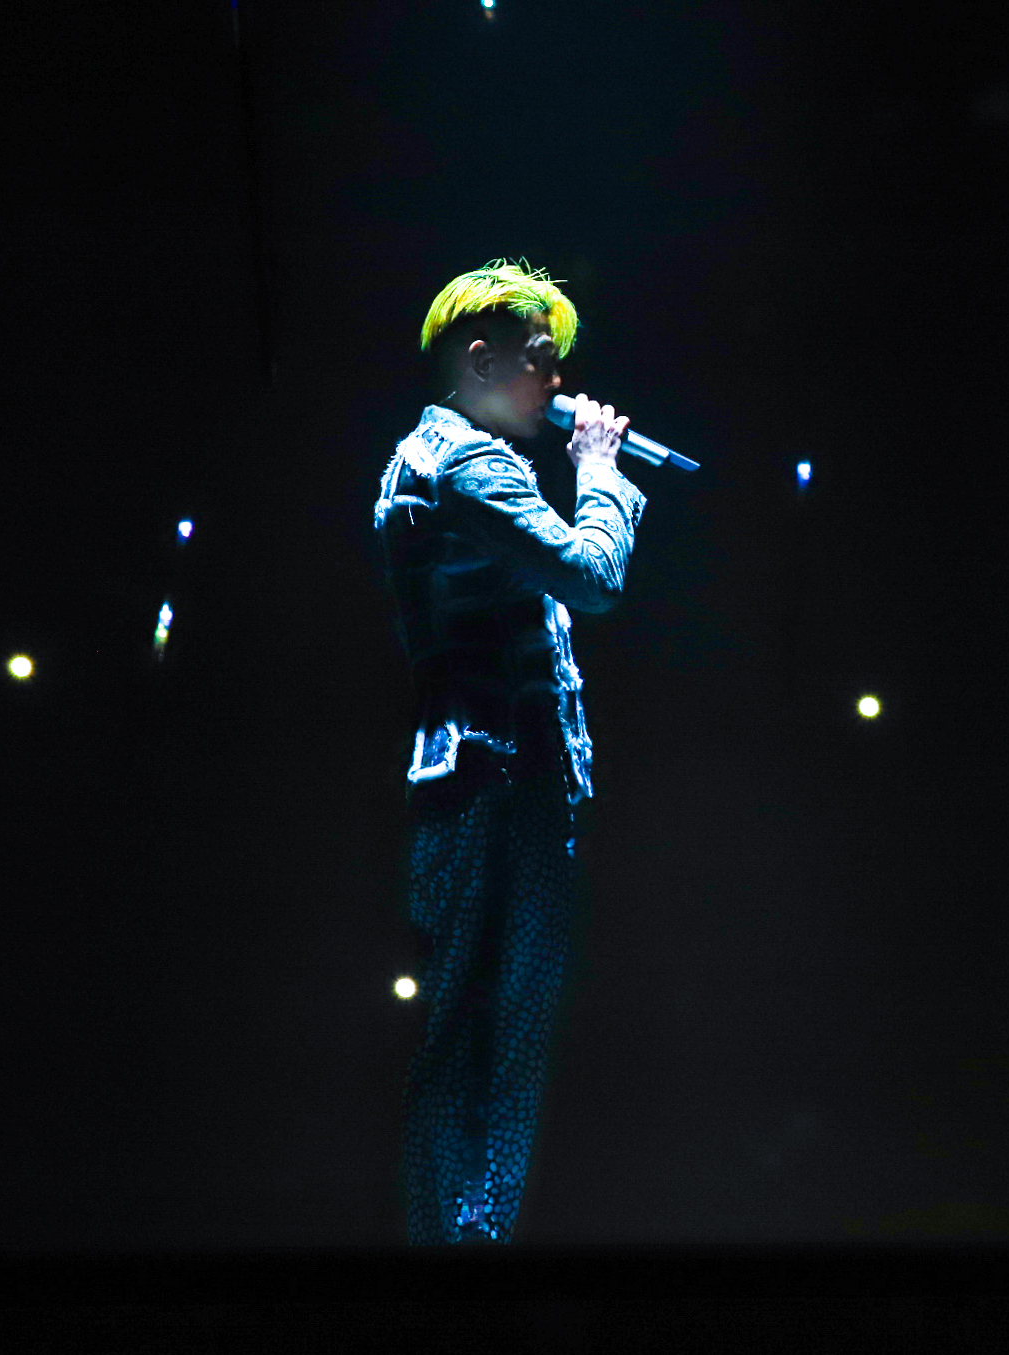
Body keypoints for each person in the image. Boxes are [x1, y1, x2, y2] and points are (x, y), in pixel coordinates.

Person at [372, 260, 646, 1244]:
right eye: (540, 360)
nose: (557, 382)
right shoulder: (469, 465)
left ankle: (464, 1240)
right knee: (488, 1042)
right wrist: (601, 471)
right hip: (497, 786)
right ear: (481, 359)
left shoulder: (425, 457)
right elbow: (592, 575)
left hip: (482, 786)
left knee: (483, 1038)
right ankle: (461, 1250)